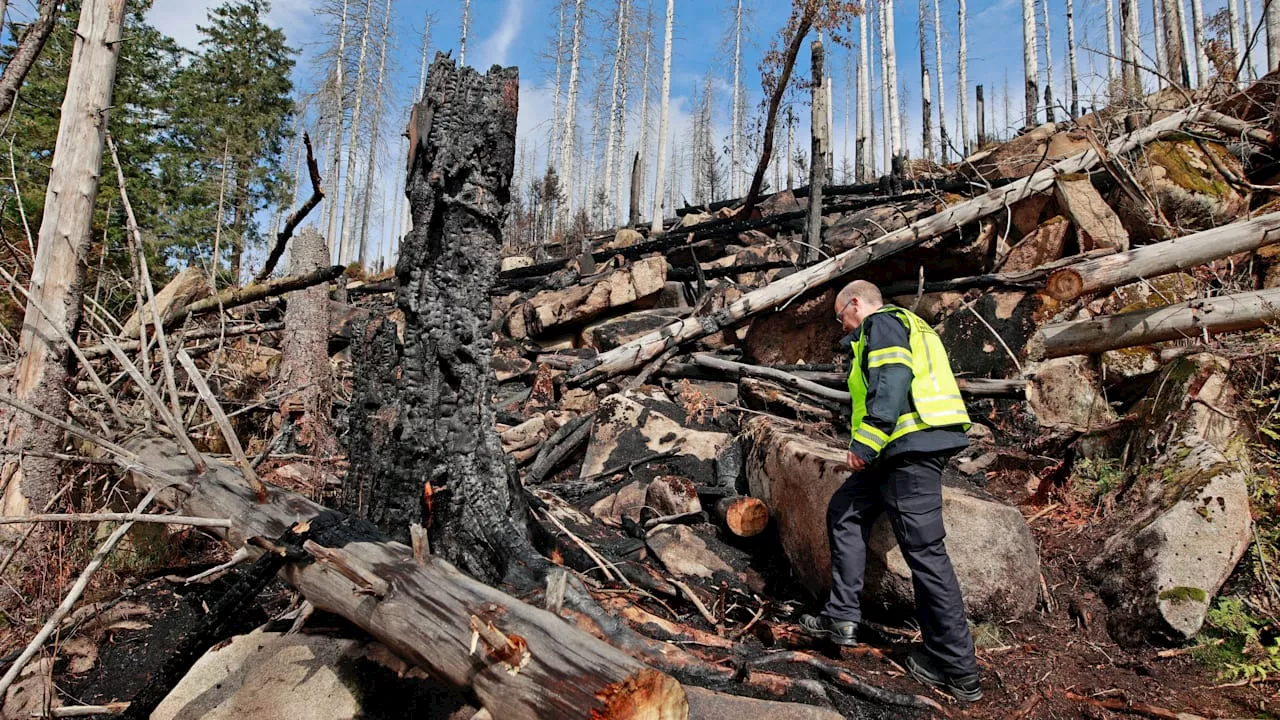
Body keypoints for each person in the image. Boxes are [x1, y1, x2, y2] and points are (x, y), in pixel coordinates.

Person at [798, 280, 982, 702]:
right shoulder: (907, 325)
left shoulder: (882, 324)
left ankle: (958, 668)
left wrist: (867, 440)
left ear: (856, 304)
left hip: (908, 450)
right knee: (845, 509)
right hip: (896, 451)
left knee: (926, 556)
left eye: (841, 316)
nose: (841, 326)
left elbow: (893, 379)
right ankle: (842, 617)